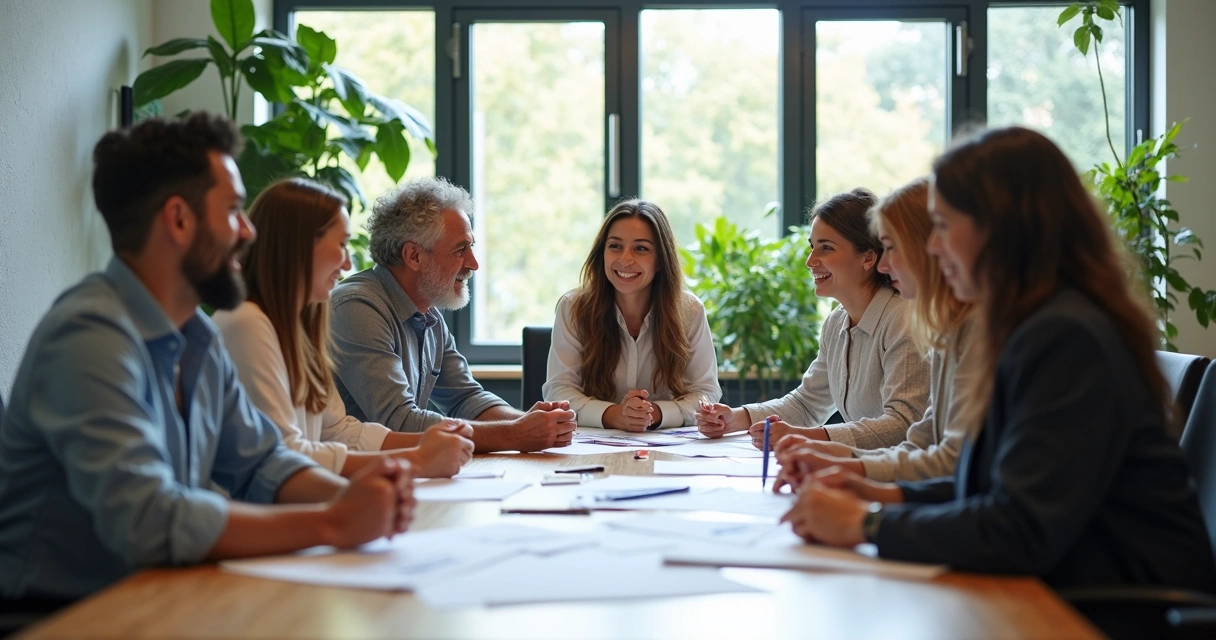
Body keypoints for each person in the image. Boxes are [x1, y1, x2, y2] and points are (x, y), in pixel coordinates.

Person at [0, 113, 413, 610]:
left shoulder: (196, 334)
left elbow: (262, 462)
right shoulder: (89, 337)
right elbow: (149, 520)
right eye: (234, 210)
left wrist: (352, 497)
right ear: (179, 220)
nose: (249, 231)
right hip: (61, 617)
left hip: (156, 598)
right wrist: (332, 521)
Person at [781, 126, 1216, 592]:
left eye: (943, 225)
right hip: (1075, 586)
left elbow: (1019, 528)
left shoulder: (1064, 336)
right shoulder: (1026, 325)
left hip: (1118, 608)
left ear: (1002, 229)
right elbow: (982, 481)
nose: (932, 247)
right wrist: (874, 490)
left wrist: (866, 523)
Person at [214, 178, 475, 478]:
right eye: (341, 245)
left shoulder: (302, 322)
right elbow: (284, 454)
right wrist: (416, 459)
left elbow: (338, 431)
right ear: (299, 248)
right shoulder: (247, 322)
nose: (348, 264)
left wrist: (430, 444)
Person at [329, 177, 576, 453]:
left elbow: (466, 399)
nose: (474, 263)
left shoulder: (427, 310)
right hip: (347, 474)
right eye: (460, 249)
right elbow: (399, 422)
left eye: (471, 247)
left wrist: (532, 423)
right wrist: (514, 433)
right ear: (413, 256)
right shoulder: (357, 307)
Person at [774, 179, 980, 483]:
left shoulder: (914, 322)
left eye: (892, 247)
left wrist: (837, 463)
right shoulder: (948, 331)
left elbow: (916, 438)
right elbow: (924, 447)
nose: (883, 264)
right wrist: (837, 466)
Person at [697, 188, 929, 450]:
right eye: (812, 247)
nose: (810, 261)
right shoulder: (836, 322)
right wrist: (733, 418)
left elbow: (903, 425)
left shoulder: (903, 321)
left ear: (868, 257)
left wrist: (808, 438)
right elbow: (807, 404)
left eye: (826, 248)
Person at [543, 200, 721, 430]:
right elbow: (559, 391)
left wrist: (655, 413)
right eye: (615, 246)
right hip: (591, 446)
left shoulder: (690, 311)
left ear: (661, 260)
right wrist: (614, 415)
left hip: (667, 445)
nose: (625, 259)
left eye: (641, 248)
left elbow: (706, 392)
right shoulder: (573, 308)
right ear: (602, 253)